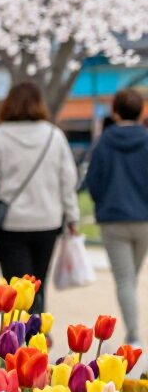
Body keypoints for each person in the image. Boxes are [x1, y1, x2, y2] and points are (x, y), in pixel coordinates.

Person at [0, 81, 79, 312]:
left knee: (16, 290)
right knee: (39, 284)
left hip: (10, 224)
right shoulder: (54, 136)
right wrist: (72, 217)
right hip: (48, 221)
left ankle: (23, 340)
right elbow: (67, 181)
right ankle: (38, 334)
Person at [83, 87, 148, 344]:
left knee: (124, 279)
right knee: (130, 277)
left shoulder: (104, 142)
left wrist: (103, 202)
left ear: (115, 111)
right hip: (143, 218)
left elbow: (93, 180)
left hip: (113, 218)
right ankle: (133, 331)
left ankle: (133, 333)